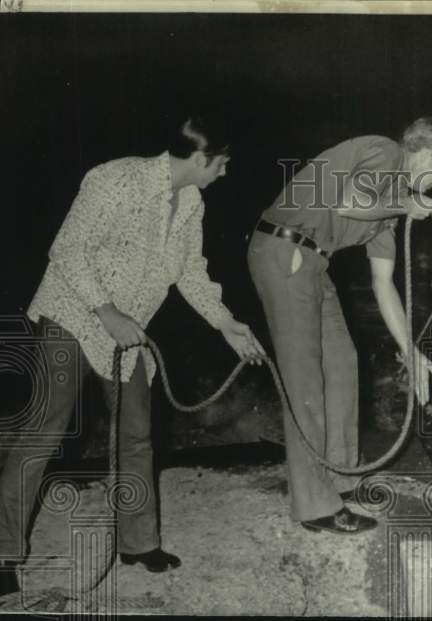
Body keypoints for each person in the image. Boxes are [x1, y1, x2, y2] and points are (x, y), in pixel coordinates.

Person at [0, 117, 266, 596]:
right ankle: (2, 553)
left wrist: (225, 321)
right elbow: (67, 250)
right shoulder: (114, 178)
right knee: (42, 434)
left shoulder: (190, 202)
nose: (224, 173)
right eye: (222, 164)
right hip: (74, 315)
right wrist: (106, 311)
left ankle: (139, 543)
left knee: (137, 435)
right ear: (200, 158)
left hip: (127, 332)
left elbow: (190, 272)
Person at [247, 117, 432, 535]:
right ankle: (313, 506)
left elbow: (384, 286)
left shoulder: (387, 214)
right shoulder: (384, 153)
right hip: (283, 249)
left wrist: (410, 351)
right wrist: (405, 204)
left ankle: (339, 480)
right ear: (419, 154)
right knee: (305, 381)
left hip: (313, 262)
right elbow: (348, 202)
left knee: (344, 363)